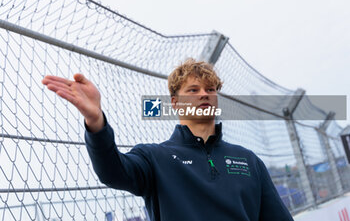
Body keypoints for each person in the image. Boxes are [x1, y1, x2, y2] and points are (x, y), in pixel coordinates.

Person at [42, 58, 294, 221]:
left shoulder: (248, 160)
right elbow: (112, 172)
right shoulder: (155, 158)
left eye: (211, 90)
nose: (204, 95)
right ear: (175, 103)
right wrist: (96, 123)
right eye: (193, 90)